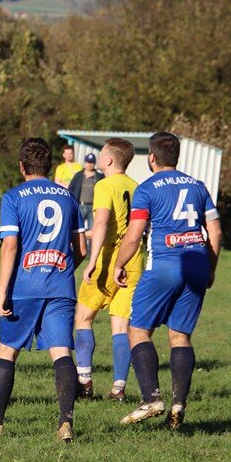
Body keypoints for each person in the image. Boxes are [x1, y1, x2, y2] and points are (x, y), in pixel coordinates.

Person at [0, 138, 87, 442]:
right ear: (49, 165)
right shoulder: (67, 196)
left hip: (25, 286)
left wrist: (2, 291)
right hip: (60, 285)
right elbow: (81, 248)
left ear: (22, 166)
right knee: (61, 352)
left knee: (7, 350)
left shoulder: (14, 197)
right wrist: (62, 269)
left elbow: (10, 245)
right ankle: (65, 422)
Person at [113, 132, 221, 430]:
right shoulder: (198, 186)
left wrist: (119, 265)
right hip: (197, 264)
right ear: (177, 157)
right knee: (180, 337)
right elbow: (216, 231)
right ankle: (178, 404)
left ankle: (152, 398)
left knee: (138, 330)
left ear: (151, 157)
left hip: (164, 264)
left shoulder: (147, 188)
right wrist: (210, 269)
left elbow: (134, 235)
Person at [75, 138, 141, 402]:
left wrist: (92, 261)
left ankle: (85, 381)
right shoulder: (136, 187)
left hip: (108, 259)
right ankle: (118, 388)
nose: (98, 158)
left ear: (110, 160)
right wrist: (84, 234)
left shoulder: (105, 185)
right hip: (133, 260)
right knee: (121, 326)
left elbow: (102, 222)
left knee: (83, 317)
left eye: (101, 154)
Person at [68, 152, 104, 241]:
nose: (89, 164)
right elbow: (71, 189)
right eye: (88, 162)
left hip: (94, 207)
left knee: (94, 231)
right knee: (77, 229)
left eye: (91, 162)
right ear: (85, 162)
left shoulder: (99, 176)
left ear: (94, 163)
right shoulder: (79, 175)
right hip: (80, 205)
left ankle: (91, 251)